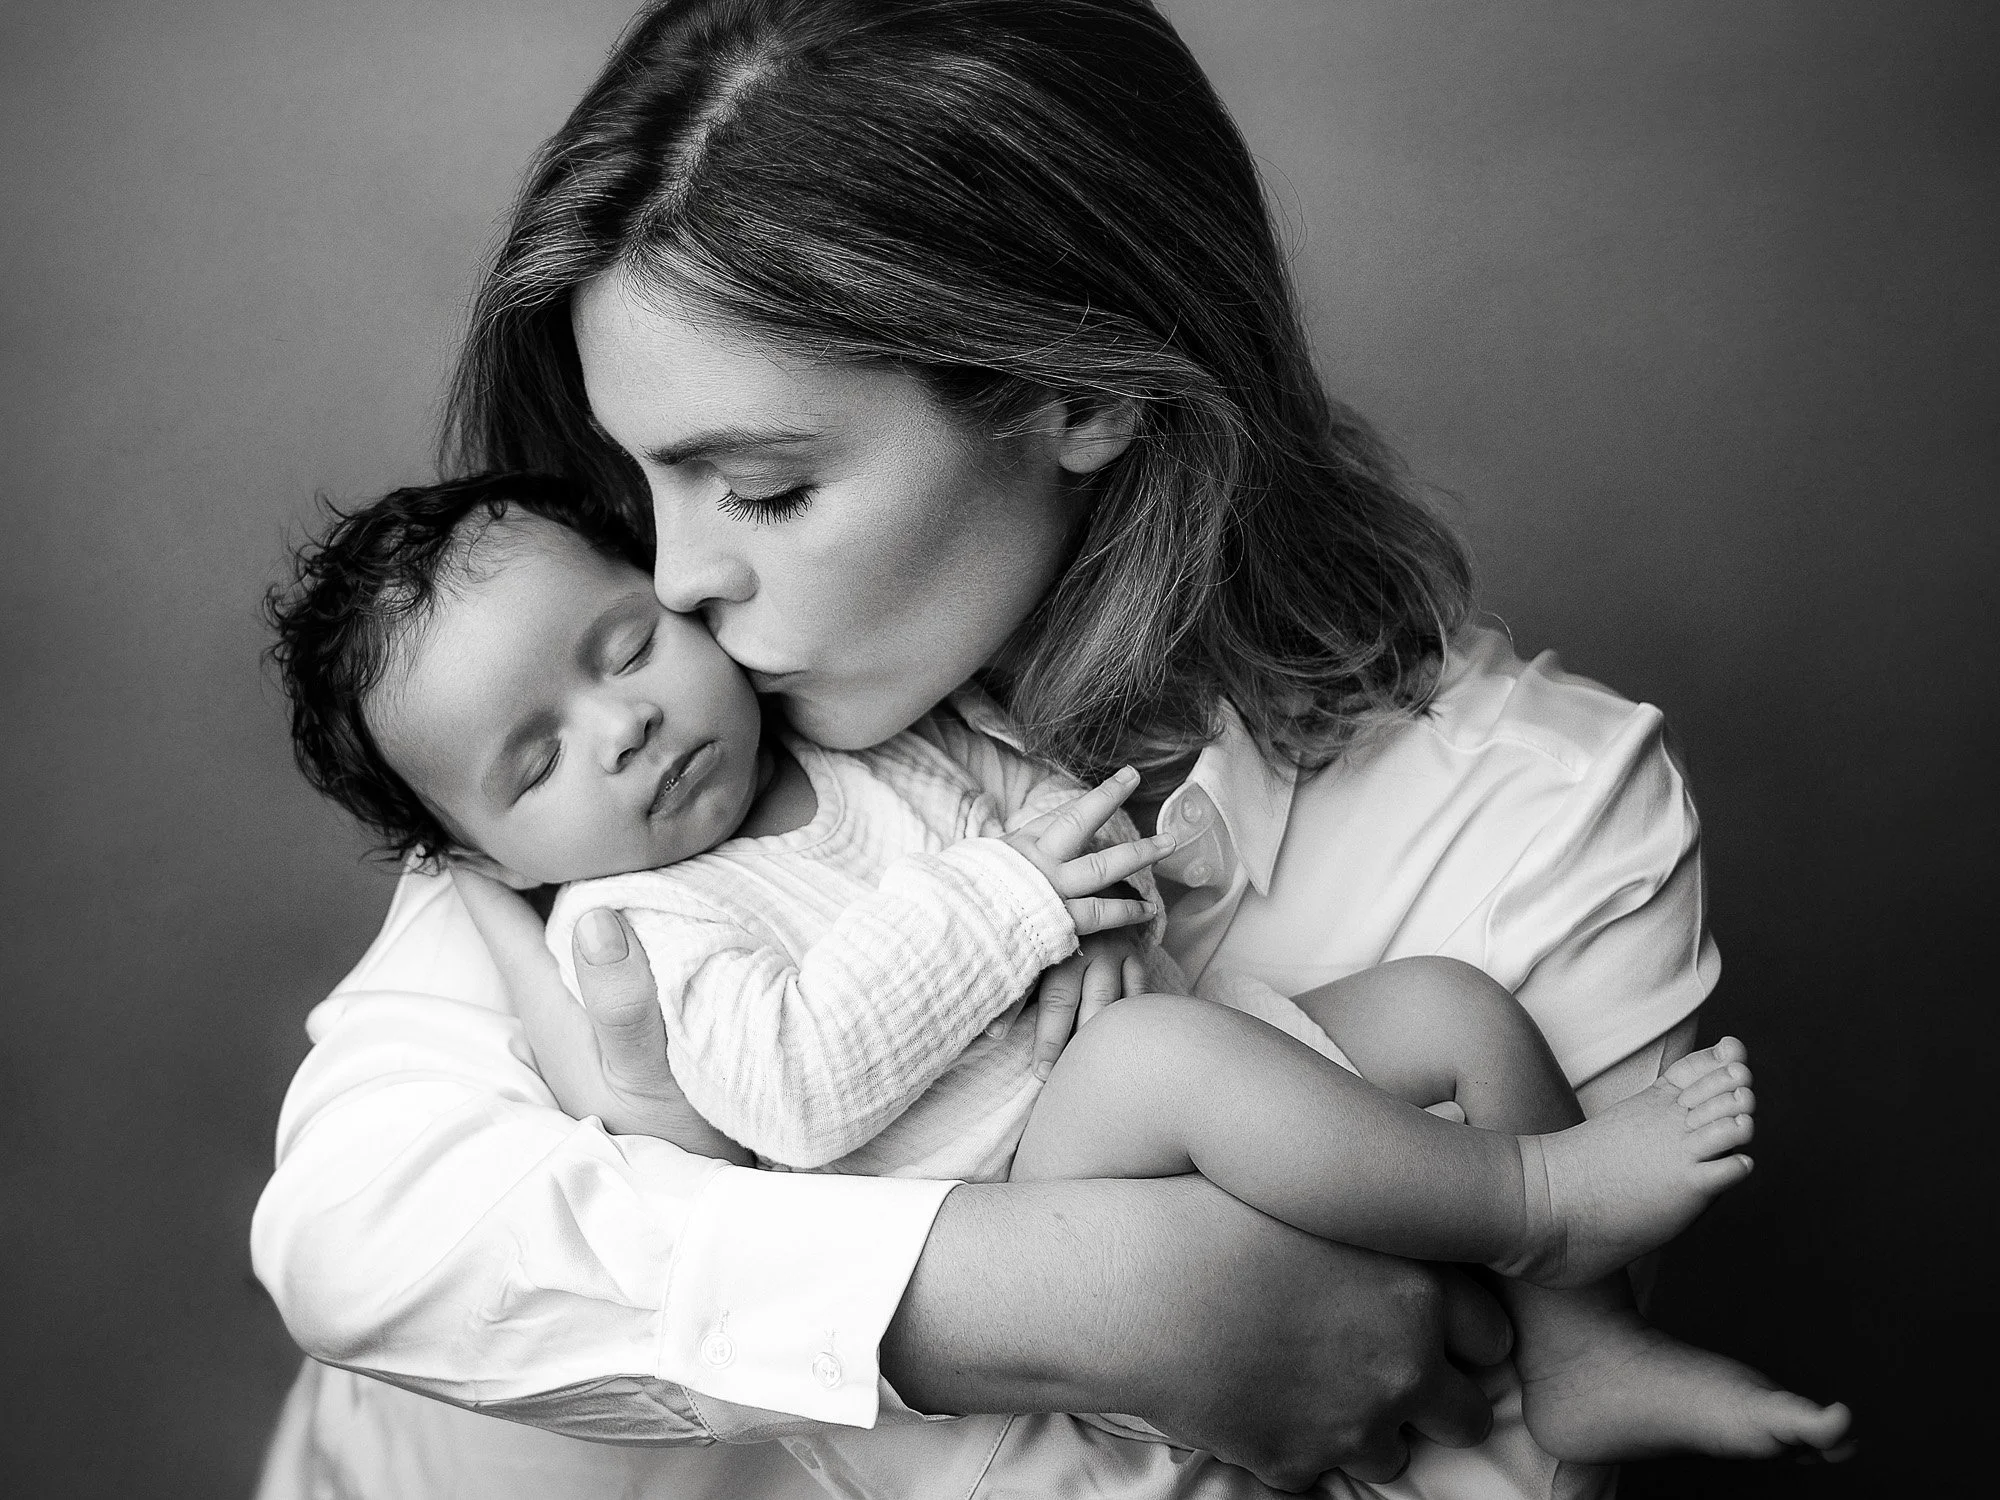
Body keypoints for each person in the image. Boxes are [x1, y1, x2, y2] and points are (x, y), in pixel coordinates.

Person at [251, 2, 1786, 1495]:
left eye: (766, 489)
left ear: (1083, 393)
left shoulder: (1540, 815)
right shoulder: (617, 802)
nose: (671, 581)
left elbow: (1465, 1456)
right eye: (636, 485)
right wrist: (1058, 1296)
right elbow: (352, 1239)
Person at [264, 471, 1846, 1475]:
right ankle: (1533, 1199)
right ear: (482, 858)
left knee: (1446, 1006)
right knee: (1161, 1064)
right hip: (1024, 1177)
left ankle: (1573, 1348)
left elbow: (1037, 815)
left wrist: (1085, 891)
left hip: (1162, 1053)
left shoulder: (854, 724)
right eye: (536, 760)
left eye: (623, 647)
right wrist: (1022, 905)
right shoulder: (640, 928)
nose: (621, 725)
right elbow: (799, 1086)